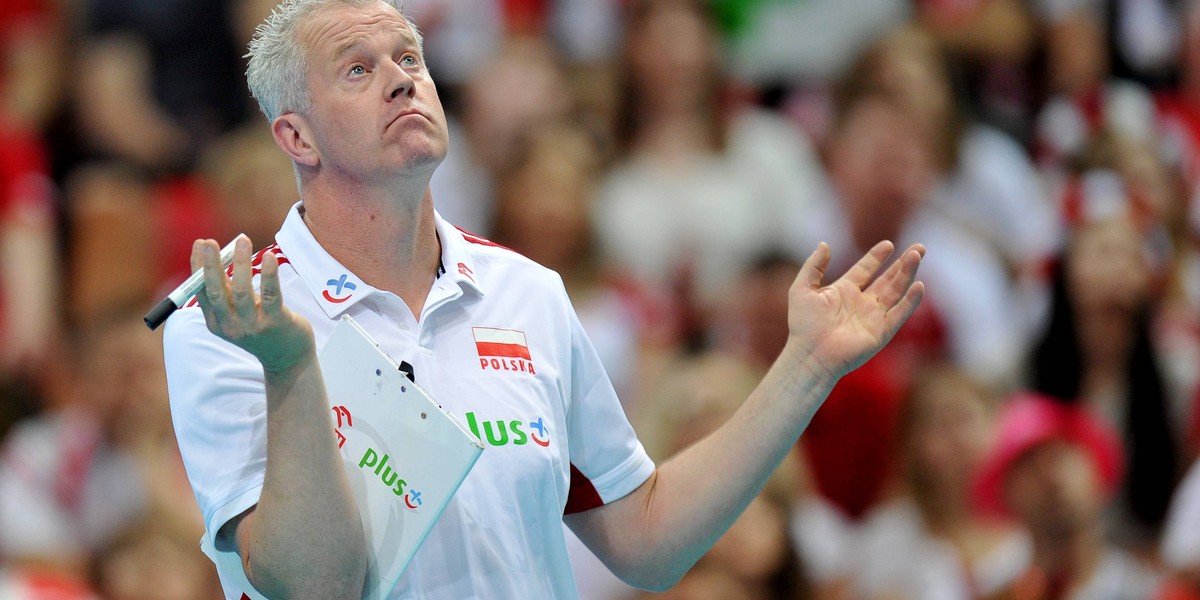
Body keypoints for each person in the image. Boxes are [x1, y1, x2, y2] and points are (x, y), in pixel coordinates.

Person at [162, 1, 925, 598]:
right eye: (357, 70)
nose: (402, 79)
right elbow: (314, 586)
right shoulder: (228, 321)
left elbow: (647, 540)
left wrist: (806, 366)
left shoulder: (527, 292)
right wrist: (292, 369)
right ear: (297, 138)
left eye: (409, 58)